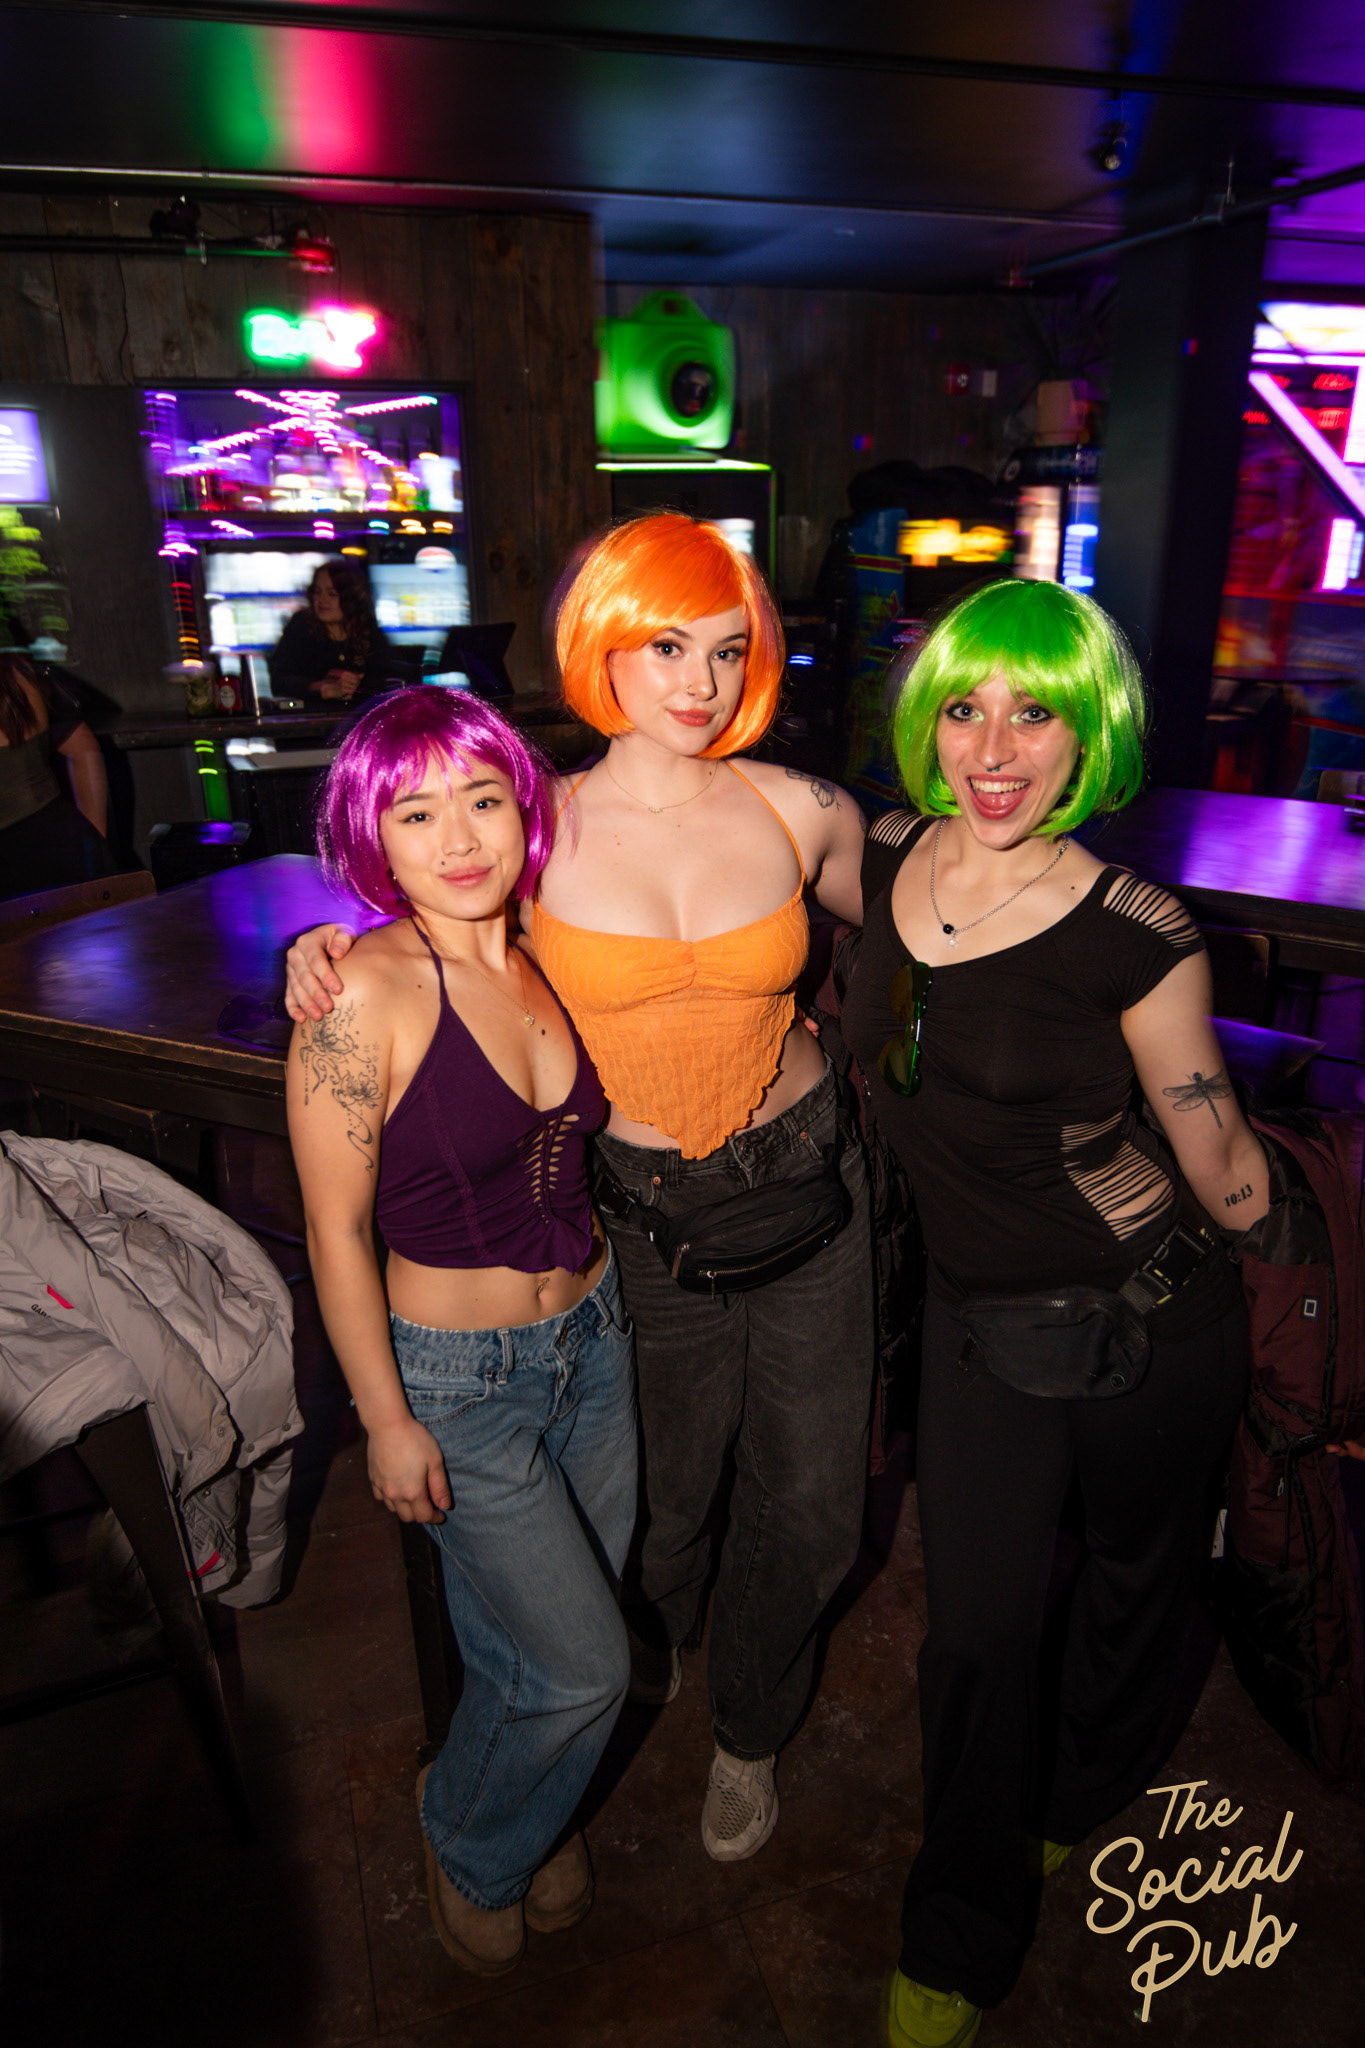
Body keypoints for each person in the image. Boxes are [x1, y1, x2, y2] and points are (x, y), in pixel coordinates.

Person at [285, 513, 874, 1865]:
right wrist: (323, 944)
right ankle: (608, 1691)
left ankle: (750, 1728)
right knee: (664, 1509)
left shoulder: (804, 808)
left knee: (815, 1504)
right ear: (601, 645)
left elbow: (911, 919)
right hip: (639, 1219)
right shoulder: (534, 821)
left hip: (805, 1186)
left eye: (728, 648)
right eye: (665, 645)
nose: (700, 681)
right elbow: (433, 901)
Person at [838, 578, 1267, 2048]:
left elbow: (1219, 1162)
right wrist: (351, 936)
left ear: (1092, 735)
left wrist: (1286, 1226)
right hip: (980, 1325)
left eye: (1036, 713)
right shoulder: (883, 851)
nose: (993, 748)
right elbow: (696, 822)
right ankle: (959, 1932)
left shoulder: (1139, 930)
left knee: (1141, 1576)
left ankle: (1081, 1791)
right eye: (964, 708)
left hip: (1154, 1318)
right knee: (973, 1633)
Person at [286, 685, 636, 1976]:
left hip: (595, 1341)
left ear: (522, 807)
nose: (458, 836)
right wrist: (385, 1417)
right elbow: (334, 1231)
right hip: (458, 1380)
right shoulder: (359, 993)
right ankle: (476, 1835)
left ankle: (521, 1803)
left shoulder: (548, 944)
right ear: (373, 835)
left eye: (482, 799)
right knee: (586, 1665)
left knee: (527, 1634)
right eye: (416, 812)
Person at [0, 650, 116, 899]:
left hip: (19, 870)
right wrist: (91, 842)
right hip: (62, 842)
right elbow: (82, 745)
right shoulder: (19, 670)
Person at [269, 557, 393, 703]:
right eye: (317, 592)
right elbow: (280, 681)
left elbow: (385, 678)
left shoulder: (367, 629)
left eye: (332, 594)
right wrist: (323, 689)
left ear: (351, 599)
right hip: (312, 715)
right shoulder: (301, 626)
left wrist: (356, 685)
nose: (321, 600)